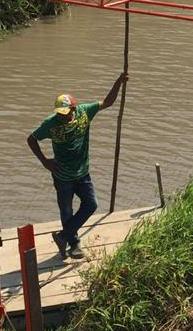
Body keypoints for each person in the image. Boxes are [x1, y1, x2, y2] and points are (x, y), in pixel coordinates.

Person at [26, 72, 128, 261]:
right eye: (60, 114)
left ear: (73, 108)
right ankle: (73, 243)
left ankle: (63, 236)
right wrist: (45, 161)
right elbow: (32, 139)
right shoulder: (50, 123)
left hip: (82, 173)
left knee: (91, 204)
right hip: (62, 175)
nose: (63, 117)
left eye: (66, 113)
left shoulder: (84, 112)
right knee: (66, 211)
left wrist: (119, 82)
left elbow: (107, 102)